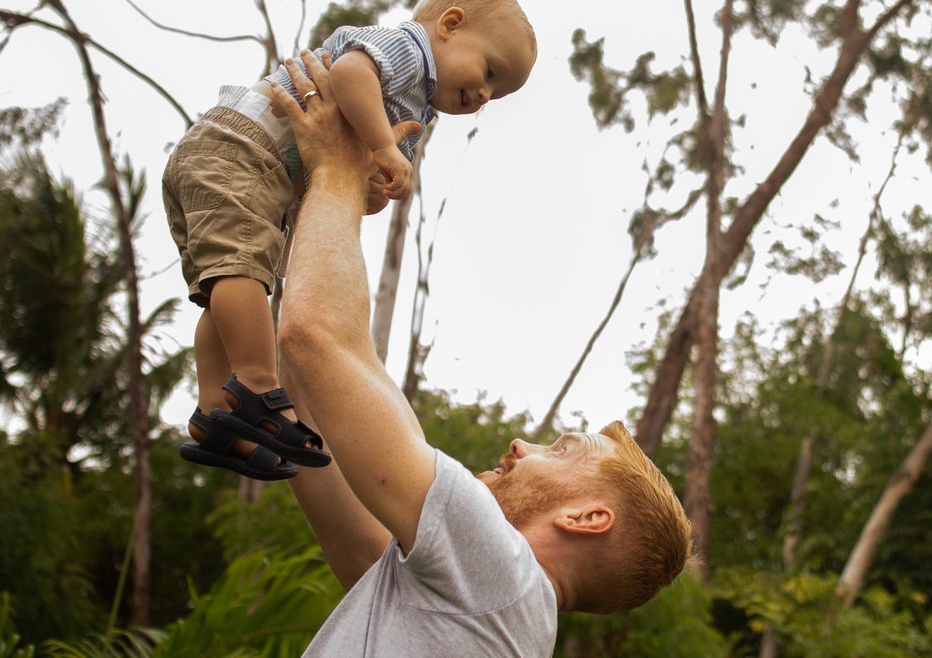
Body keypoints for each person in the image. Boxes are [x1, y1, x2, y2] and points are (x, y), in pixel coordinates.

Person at [268, 50, 693, 653]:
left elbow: (316, 340)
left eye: (563, 448)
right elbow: (312, 419)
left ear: (587, 518)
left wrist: (336, 166)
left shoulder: (502, 570)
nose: (523, 443)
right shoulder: (493, 617)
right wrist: (316, 207)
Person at [162, 0, 537, 479]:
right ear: (450, 25)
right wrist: (384, 148)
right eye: (490, 71)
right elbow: (349, 73)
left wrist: (375, 189)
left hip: (258, 172)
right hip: (243, 150)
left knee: (230, 285)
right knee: (243, 273)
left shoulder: (413, 111)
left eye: (496, 94)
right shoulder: (407, 50)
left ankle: (217, 413)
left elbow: (352, 183)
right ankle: (254, 384)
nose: (485, 94)